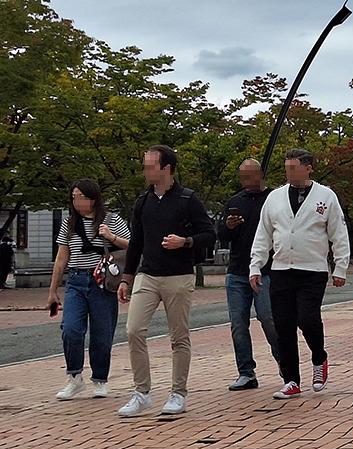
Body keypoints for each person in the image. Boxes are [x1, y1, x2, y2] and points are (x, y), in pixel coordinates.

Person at [117, 145, 215, 417]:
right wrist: (126, 278)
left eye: (150, 166)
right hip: (147, 275)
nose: (145, 171)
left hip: (179, 276)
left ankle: (178, 393)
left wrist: (185, 242)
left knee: (178, 337)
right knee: (133, 330)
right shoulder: (142, 202)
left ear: (166, 168)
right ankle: (141, 393)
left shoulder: (187, 199)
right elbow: (136, 242)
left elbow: (210, 234)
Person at [250, 148, 350, 400]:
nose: (289, 172)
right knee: (283, 326)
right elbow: (263, 234)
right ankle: (291, 379)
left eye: (294, 167)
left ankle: (319, 357)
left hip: (312, 270)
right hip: (282, 268)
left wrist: (340, 267)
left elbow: (338, 233)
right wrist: (255, 265)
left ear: (308, 167)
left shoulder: (326, 196)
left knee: (307, 319)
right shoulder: (274, 197)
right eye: (286, 168)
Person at [46, 179, 130, 400]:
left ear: (94, 198)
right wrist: (52, 290)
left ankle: (100, 379)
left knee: (102, 333)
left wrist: (111, 237)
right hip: (76, 280)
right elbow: (62, 257)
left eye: (81, 196)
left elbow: (133, 245)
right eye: (73, 197)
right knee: (71, 329)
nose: (77, 201)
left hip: (102, 282)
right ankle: (74, 377)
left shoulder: (112, 219)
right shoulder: (69, 224)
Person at [218, 158, 281, 391]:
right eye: (241, 176)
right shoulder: (235, 201)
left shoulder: (274, 198)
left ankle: (285, 364)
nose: (245, 181)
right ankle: (246, 372)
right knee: (238, 323)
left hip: (267, 270)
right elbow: (221, 235)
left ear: (260, 174)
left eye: (249, 176)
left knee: (268, 318)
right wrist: (230, 226)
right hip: (237, 271)